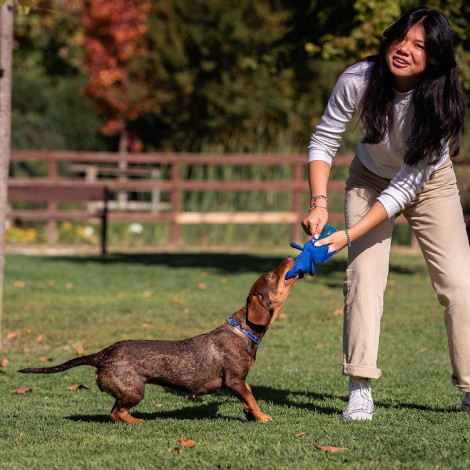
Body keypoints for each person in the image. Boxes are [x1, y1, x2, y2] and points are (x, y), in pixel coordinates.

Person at [301, 7, 470, 420]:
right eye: (401, 38)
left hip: (429, 185)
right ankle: (360, 387)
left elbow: (406, 190)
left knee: (460, 284)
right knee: (364, 278)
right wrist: (318, 203)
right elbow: (324, 140)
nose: (405, 50)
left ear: (435, 58)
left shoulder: (442, 103)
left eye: (420, 46)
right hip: (369, 178)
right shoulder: (358, 79)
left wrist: (348, 234)